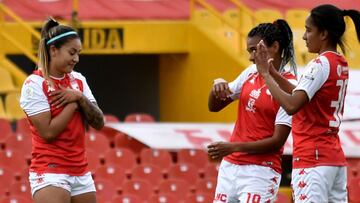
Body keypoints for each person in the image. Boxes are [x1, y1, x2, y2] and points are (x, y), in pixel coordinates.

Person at [254, 4, 360, 203]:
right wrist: (276, 76)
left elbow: (293, 105)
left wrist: (266, 75)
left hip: (313, 159)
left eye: (309, 30)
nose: (304, 36)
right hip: (334, 159)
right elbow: (300, 94)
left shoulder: (319, 64)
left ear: (324, 34)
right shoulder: (340, 62)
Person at [207, 19, 297, 203]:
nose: (251, 57)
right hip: (230, 167)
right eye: (249, 51)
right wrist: (216, 87)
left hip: (261, 171)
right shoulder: (250, 73)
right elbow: (214, 107)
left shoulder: (291, 86)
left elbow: (277, 141)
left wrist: (233, 146)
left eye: (255, 49)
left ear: (275, 47)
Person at [20, 18, 104, 203]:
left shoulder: (79, 80)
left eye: (78, 53)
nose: (76, 59)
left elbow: (99, 122)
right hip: (50, 171)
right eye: (72, 52)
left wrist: (79, 97)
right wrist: (75, 103)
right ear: (53, 50)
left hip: (81, 171)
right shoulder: (34, 84)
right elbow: (48, 132)